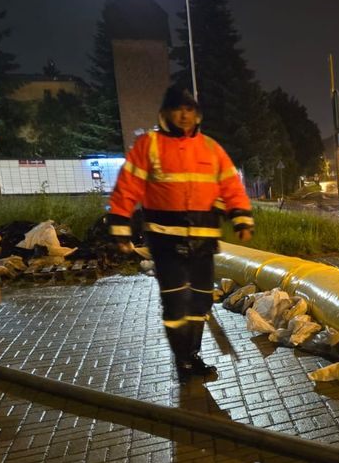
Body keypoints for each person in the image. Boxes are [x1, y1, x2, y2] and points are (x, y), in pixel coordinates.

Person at [108, 85, 254, 383]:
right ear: (165, 113)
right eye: (178, 108)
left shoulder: (211, 149)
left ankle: (192, 355)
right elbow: (127, 187)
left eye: (189, 109)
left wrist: (241, 218)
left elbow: (230, 186)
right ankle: (182, 361)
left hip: (203, 243)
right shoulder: (148, 146)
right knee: (176, 304)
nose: (184, 115)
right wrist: (121, 228)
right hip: (166, 243)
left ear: (196, 114)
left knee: (200, 302)